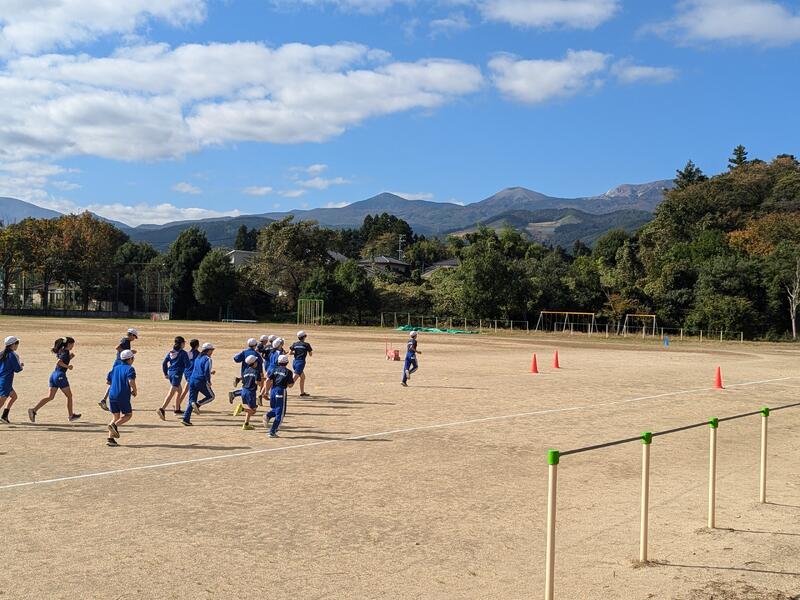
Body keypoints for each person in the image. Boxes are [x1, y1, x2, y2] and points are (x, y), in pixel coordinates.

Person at [28, 336, 80, 423]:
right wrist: (68, 366)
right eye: (72, 344)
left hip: (54, 375)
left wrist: (70, 358)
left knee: (50, 397)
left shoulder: (62, 351)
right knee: (69, 396)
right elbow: (59, 362)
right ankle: (71, 416)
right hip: (60, 376)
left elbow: (62, 360)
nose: (73, 346)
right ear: (68, 344)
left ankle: (33, 410)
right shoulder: (65, 352)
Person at [99, 328, 138, 411]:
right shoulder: (125, 341)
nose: (134, 339)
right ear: (131, 335)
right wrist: (129, 352)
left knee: (114, 382)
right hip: (120, 362)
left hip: (120, 362)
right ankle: (106, 400)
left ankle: (104, 400)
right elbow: (117, 347)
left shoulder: (126, 341)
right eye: (134, 337)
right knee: (117, 382)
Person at [106, 349, 137, 447]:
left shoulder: (116, 368)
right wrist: (135, 390)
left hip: (112, 395)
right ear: (130, 359)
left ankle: (110, 439)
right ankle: (114, 425)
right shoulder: (130, 369)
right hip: (122, 395)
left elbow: (108, 381)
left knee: (115, 417)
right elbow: (131, 381)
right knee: (128, 415)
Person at [182, 342, 215, 426]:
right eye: (212, 350)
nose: (212, 352)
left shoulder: (198, 357)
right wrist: (208, 381)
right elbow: (206, 370)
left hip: (192, 379)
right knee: (211, 396)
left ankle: (186, 419)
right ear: (209, 350)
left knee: (191, 400)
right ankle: (198, 404)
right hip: (200, 381)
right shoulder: (208, 359)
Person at [157, 336, 190, 420]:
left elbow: (164, 363)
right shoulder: (183, 353)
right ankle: (162, 409)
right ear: (181, 343)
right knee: (171, 392)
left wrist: (165, 373)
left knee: (179, 391)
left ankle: (177, 409)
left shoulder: (171, 352)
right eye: (184, 343)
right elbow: (188, 365)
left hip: (171, 373)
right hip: (177, 374)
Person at [263, 354, 293, 438]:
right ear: (287, 362)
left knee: (276, 408)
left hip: (273, 390)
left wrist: (266, 391)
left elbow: (268, 380)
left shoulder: (274, 369)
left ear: (278, 362)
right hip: (281, 390)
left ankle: (268, 415)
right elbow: (290, 385)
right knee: (281, 413)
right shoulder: (288, 372)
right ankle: (272, 431)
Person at [228, 338, 262, 405]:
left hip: (244, 373)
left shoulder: (244, 352)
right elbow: (260, 363)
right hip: (254, 373)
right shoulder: (256, 354)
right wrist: (261, 373)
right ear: (255, 345)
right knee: (251, 388)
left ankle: (235, 394)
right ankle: (235, 394)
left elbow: (236, 359)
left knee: (247, 387)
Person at [0, 336, 23, 424]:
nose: (17, 345)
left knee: (14, 396)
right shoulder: (13, 355)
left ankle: (4, 416)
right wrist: (21, 365)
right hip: (5, 381)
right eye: (17, 343)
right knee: (1, 402)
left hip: (2, 380)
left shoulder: (1, 353)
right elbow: (17, 369)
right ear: (13, 344)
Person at [235, 354, 260, 430]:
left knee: (250, 408)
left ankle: (246, 424)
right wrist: (261, 382)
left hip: (244, 391)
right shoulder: (256, 371)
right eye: (256, 361)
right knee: (253, 411)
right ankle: (242, 409)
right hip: (251, 392)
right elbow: (257, 382)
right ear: (254, 363)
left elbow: (245, 380)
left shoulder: (245, 371)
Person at [176, 339, 200, 414]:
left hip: (186, 372)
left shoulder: (188, 353)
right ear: (197, 345)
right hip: (192, 374)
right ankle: (181, 405)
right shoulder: (198, 354)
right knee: (191, 391)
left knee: (186, 390)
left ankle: (178, 404)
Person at [289, 330, 313, 397]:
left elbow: (290, 353)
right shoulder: (306, 344)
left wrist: (296, 353)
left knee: (303, 377)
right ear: (304, 337)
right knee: (291, 383)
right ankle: (281, 388)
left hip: (295, 362)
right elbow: (310, 354)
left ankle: (302, 393)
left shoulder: (295, 344)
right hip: (301, 363)